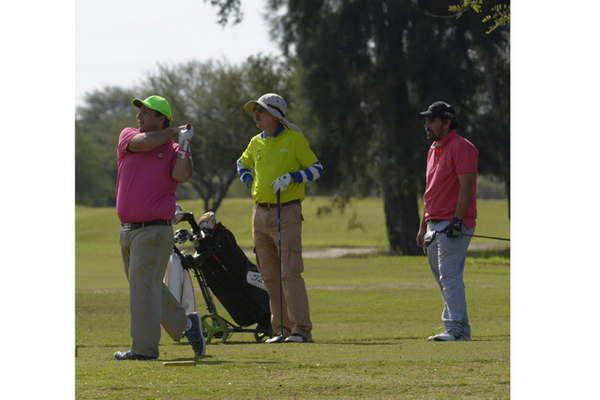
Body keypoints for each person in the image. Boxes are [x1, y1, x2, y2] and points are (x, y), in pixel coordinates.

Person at [113, 95, 205, 360]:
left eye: (146, 112)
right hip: (128, 228)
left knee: (143, 287)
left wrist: (185, 145)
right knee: (145, 285)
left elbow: (181, 175)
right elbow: (142, 144)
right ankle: (186, 324)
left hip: (154, 229)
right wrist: (175, 133)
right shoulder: (130, 135)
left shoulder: (174, 150)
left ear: (161, 117)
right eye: (140, 112)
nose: (139, 117)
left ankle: (144, 350)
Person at [236, 93, 324, 343]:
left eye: (261, 111)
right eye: (256, 111)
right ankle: (281, 328)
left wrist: (292, 178)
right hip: (259, 213)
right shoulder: (256, 142)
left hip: (286, 211)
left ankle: (301, 329)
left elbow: (317, 169)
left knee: (290, 272)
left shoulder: (294, 140)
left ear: (275, 116)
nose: (257, 116)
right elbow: (241, 164)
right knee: (269, 275)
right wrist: (247, 178)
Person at [415, 101, 479, 342]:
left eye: (432, 120)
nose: (427, 124)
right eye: (427, 120)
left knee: (449, 274)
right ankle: (456, 324)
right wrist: (423, 226)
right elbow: (430, 192)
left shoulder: (462, 147)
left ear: (447, 122)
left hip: (454, 224)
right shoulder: (433, 149)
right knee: (442, 276)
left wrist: (458, 220)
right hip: (434, 223)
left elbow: (467, 186)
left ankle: (457, 329)